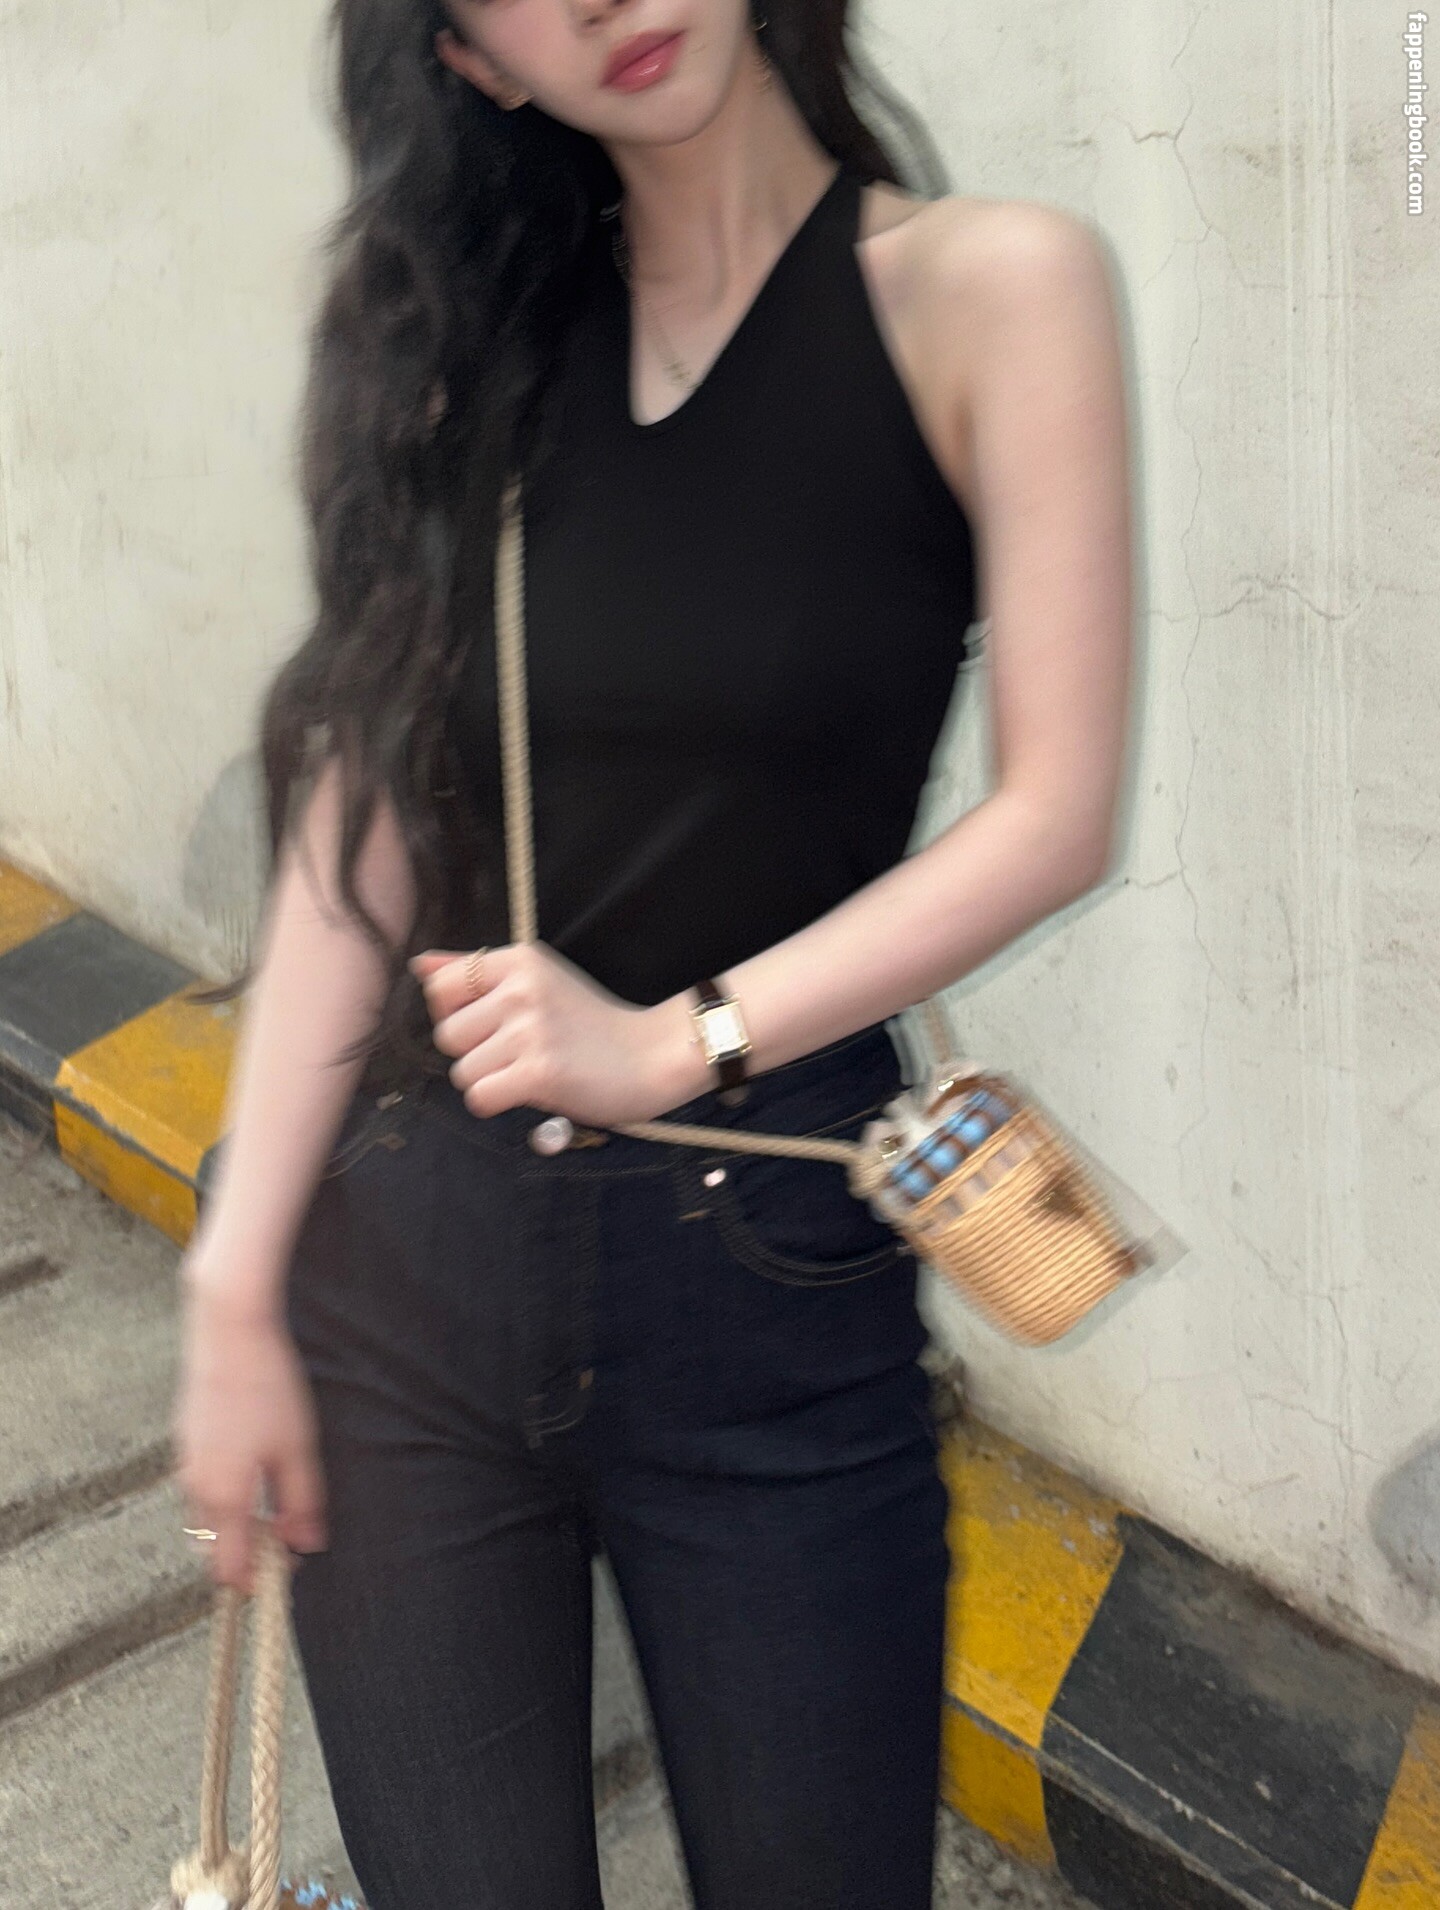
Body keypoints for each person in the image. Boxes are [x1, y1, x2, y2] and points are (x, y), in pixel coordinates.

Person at [172, 0, 1133, 1904]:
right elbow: (357, 823)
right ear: (471, 59)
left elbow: (1057, 811)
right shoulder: (465, 340)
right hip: (405, 1278)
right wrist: (235, 1274)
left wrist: (674, 1039)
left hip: (762, 1267)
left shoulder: (989, 291)